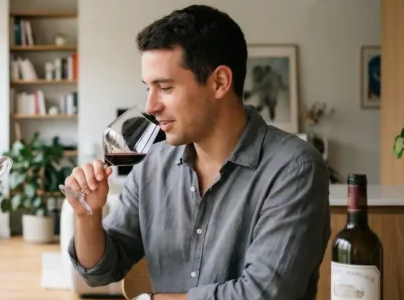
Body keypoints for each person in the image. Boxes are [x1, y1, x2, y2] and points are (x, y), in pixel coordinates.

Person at [63, 5, 330, 300]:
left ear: (219, 82)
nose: (150, 106)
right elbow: (100, 271)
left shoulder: (294, 169)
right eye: (147, 88)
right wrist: (88, 216)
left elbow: (264, 294)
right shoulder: (152, 165)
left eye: (164, 87)